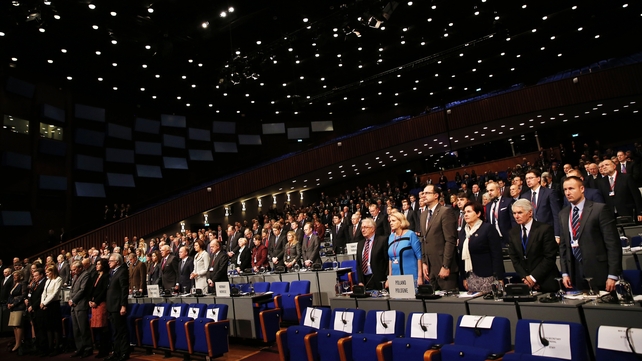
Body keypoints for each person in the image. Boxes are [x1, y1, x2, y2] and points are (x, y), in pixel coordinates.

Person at [559, 176, 622, 292]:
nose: (568, 193)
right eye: (565, 190)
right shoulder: (563, 214)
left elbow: (613, 244)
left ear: (582, 189)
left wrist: (613, 274)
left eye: (571, 188)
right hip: (575, 271)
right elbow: (563, 246)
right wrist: (564, 273)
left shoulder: (599, 209)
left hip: (599, 270)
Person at [508, 199, 561, 293]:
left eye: (520, 212)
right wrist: (526, 278)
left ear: (530, 213)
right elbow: (514, 258)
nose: (516, 216)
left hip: (546, 281)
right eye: (514, 213)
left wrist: (533, 278)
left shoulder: (544, 229)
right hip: (527, 284)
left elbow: (549, 257)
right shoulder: (513, 232)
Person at [456, 202, 505, 293]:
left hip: (487, 275)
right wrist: (464, 277)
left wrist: (499, 277)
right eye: (464, 212)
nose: (466, 214)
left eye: (469, 212)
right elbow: (461, 256)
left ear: (478, 214)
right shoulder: (463, 232)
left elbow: (496, 255)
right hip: (470, 275)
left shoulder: (487, 228)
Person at [420, 185, 459, 290]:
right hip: (430, 268)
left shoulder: (445, 211)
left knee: (448, 304)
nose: (424, 196)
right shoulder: (423, 215)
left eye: (427, 193)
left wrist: (446, 266)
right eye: (423, 193)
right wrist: (424, 262)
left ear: (436, 195)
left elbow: (450, 241)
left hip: (444, 267)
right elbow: (424, 240)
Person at [520, 169, 561, 242]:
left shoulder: (549, 193)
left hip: (548, 232)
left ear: (538, 179)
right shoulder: (524, 196)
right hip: (531, 234)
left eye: (531, 178)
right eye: (526, 179)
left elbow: (556, 214)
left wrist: (557, 234)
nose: (528, 181)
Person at [385, 211, 422, 288]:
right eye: (390, 221)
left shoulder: (410, 234)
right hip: (396, 277)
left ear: (401, 221)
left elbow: (419, 256)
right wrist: (389, 277)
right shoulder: (391, 237)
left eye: (393, 221)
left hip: (411, 275)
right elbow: (390, 259)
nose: (391, 223)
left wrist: (420, 277)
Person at [106, 253, 129, 361]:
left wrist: (123, 305)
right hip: (111, 306)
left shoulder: (122, 271)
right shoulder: (112, 272)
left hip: (118, 306)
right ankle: (116, 352)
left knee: (121, 331)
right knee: (114, 331)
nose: (109, 262)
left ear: (117, 262)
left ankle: (124, 353)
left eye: (111, 261)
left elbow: (124, 290)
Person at [68, 260, 93, 358]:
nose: (73, 271)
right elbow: (72, 290)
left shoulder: (85, 275)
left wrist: (73, 299)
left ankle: (88, 348)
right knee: (76, 329)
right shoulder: (75, 276)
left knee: (83, 328)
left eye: (74, 269)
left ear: (80, 268)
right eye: (72, 270)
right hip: (74, 306)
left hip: (81, 304)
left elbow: (82, 290)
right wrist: (70, 299)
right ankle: (80, 348)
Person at [89, 258, 110, 358]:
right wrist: (90, 300)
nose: (96, 266)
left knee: (103, 328)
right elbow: (92, 289)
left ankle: (104, 350)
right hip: (94, 304)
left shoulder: (106, 276)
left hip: (101, 304)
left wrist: (96, 301)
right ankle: (99, 348)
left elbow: (104, 290)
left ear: (103, 265)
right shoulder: (96, 276)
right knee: (97, 328)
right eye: (96, 264)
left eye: (98, 264)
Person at [485, 182, 517, 247]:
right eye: (488, 191)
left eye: (491, 190)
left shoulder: (508, 201)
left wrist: (514, 238)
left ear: (498, 190)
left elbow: (514, 221)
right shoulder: (488, 206)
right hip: (494, 240)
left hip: (508, 239)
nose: (489, 193)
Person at [41, 264, 63, 355]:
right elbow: (44, 292)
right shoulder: (48, 280)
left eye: (48, 272)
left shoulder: (58, 279)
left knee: (55, 327)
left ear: (52, 272)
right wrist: (42, 302)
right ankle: (50, 347)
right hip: (46, 305)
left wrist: (45, 303)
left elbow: (54, 294)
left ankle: (57, 347)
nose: (46, 274)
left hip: (54, 305)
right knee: (48, 327)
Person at [26, 266, 47, 356]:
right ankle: (38, 347)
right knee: (37, 329)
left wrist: (33, 306)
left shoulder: (44, 283)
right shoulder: (35, 284)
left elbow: (40, 297)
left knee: (41, 330)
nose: (34, 277)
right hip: (33, 310)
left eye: (36, 275)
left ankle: (43, 349)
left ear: (41, 275)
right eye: (33, 276)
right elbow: (31, 295)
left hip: (39, 309)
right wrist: (29, 304)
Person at [7, 271, 26, 353]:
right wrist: (8, 303)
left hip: (19, 307)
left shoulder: (22, 284)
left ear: (20, 276)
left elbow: (23, 296)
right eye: (13, 275)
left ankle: (19, 343)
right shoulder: (13, 285)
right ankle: (16, 342)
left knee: (18, 325)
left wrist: (13, 304)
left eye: (16, 275)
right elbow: (10, 295)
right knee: (14, 326)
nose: (14, 277)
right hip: (13, 307)